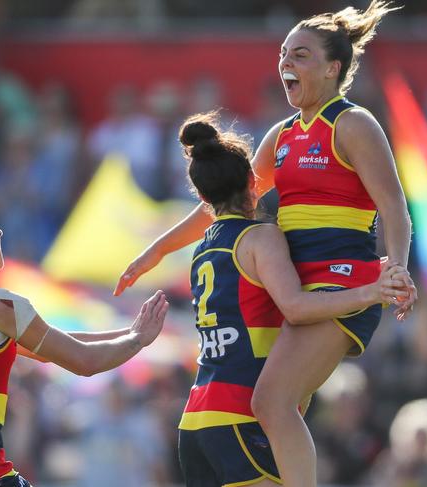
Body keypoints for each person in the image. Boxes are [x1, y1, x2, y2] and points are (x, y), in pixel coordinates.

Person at [114, 2, 415, 486]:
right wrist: (156, 251)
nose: (285, 65)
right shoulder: (283, 134)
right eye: (282, 55)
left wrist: (396, 268)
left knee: (270, 403)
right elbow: (224, 201)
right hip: (296, 290)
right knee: (281, 407)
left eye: (299, 55)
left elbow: (394, 205)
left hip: (342, 286)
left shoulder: (353, 124)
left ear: (333, 68)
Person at [173, 113, 410, 487]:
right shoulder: (262, 239)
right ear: (256, 182)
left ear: (203, 198)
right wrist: (371, 291)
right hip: (240, 420)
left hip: (195, 425)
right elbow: (296, 307)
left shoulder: (202, 250)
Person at [0, 188, 169, 487]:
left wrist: (130, 331)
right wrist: (138, 340)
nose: (0, 230)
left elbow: (51, 345)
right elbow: (84, 361)